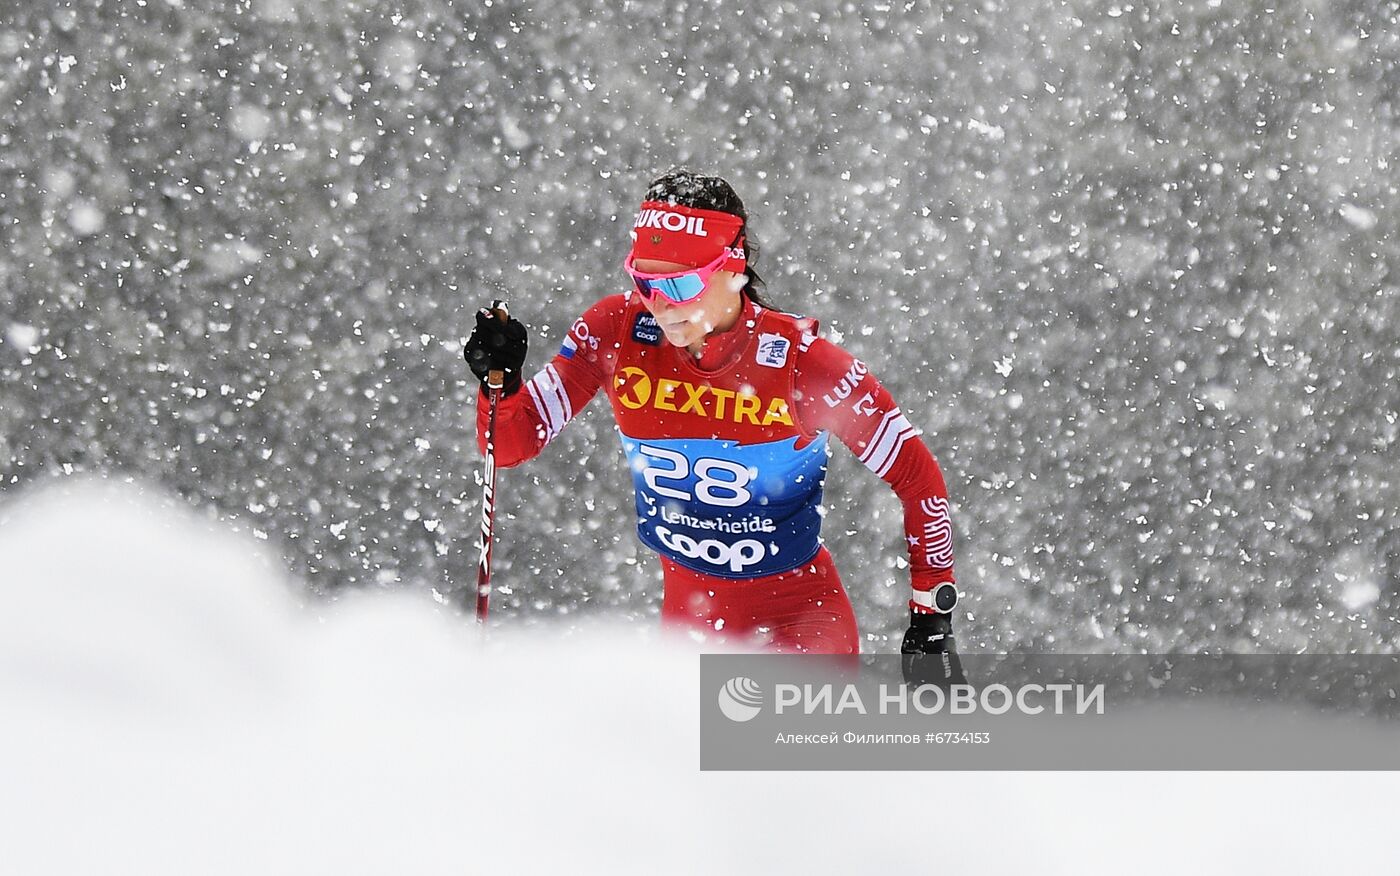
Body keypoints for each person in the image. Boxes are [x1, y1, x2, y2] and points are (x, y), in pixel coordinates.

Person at [464, 169, 965, 685]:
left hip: (800, 627)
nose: (660, 304)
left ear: (735, 265)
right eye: (644, 282)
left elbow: (917, 477)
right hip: (688, 632)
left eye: (681, 283)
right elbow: (510, 445)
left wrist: (931, 615)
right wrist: (500, 382)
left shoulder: (802, 366)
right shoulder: (616, 333)